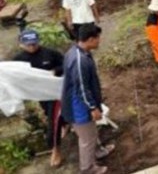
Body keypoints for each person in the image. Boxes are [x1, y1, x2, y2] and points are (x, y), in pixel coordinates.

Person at [61, 24, 114, 174]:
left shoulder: (78, 51)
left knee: (91, 132)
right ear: (90, 39)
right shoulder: (80, 61)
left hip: (79, 101)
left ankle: (97, 151)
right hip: (78, 107)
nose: (99, 41)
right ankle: (88, 168)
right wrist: (92, 107)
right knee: (87, 139)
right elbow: (82, 88)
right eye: (98, 38)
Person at [13, 30, 65, 167]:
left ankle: (55, 150)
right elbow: (14, 76)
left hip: (54, 93)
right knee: (50, 115)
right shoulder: (18, 60)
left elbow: (65, 64)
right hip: (39, 95)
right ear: (21, 44)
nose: (32, 47)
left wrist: (56, 71)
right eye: (28, 45)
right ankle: (65, 125)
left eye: (34, 44)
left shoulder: (50, 53)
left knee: (52, 121)